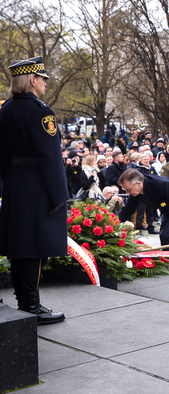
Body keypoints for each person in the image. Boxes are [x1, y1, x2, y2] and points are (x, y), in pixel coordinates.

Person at [0, 56, 67, 324]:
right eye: (42, 79)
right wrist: (59, 195)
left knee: (19, 246)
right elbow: (50, 157)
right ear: (32, 80)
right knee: (34, 247)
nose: (45, 84)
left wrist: (9, 181)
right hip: (37, 185)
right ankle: (32, 306)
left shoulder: (5, 110)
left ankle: (24, 302)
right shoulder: (41, 112)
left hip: (15, 183)